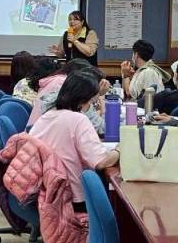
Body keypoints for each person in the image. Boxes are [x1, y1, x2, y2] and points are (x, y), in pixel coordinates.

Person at [29, 71, 120, 204]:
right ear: (82, 101)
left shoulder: (47, 116)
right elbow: (101, 162)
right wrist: (120, 149)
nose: (90, 107)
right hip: (70, 199)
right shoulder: (78, 119)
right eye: (91, 102)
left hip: (42, 193)